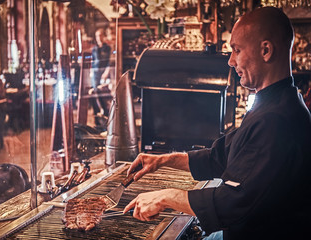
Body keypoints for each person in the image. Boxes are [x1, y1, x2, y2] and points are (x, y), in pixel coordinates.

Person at [123, 7, 311, 240]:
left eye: (236, 50)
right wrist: (163, 160)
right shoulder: (275, 103)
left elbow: (232, 202)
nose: (231, 61)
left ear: (265, 50)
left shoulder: (278, 120)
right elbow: (221, 155)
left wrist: (164, 197)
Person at [90, 28, 111, 120]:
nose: (98, 38)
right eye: (97, 36)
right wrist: (91, 71)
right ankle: (97, 115)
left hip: (104, 73)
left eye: (100, 35)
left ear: (103, 36)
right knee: (94, 93)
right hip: (95, 73)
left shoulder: (108, 48)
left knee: (103, 93)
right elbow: (93, 61)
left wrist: (107, 71)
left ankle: (105, 112)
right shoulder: (94, 49)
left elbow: (110, 61)